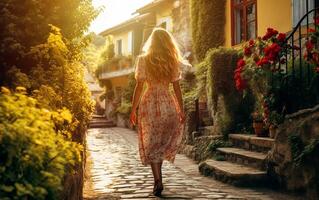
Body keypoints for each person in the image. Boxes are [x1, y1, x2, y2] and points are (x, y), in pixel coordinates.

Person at [130, 27, 186, 197]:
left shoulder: (143, 60)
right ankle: (158, 179)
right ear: (167, 42)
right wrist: (181, 110)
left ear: (152, 42)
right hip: (167, 105)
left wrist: (133, 109)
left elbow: (139, 87)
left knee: (152, 143)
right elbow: (177, 88)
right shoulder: (172, 61)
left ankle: (157, 180)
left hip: (149, 105)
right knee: (160, 143)